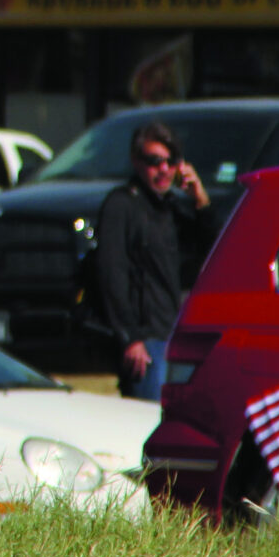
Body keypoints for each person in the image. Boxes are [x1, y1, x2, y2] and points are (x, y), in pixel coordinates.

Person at [94, 120, 210, 402]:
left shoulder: (173, 208)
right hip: (145, 341)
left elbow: (209, 251)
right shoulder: (122, 205)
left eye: (172, 161)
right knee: (147, 418)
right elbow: (111, 274)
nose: (164, 170)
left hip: (176, 335)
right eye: (154, 161)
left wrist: (200, 201)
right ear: (136, 162)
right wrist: (130, 338)